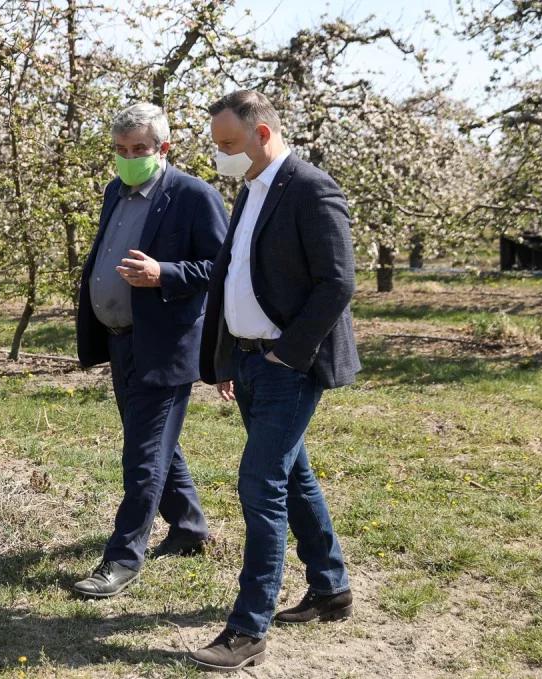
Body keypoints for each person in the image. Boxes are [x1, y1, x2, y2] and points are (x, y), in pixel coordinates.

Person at [189, 90, 360, 671]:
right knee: (296, 476)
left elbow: (337, 282)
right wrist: (228, 356)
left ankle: (247, 629)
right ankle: (331, 588)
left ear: (262, 134)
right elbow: (235, 275)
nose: (222, 158)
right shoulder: (249, 190)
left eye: (229, 145)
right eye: (218, 148)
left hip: (288, 367)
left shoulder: (311, 188)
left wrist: (287, 354)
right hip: (251, 363)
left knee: (261, 485)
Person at [71, 102, 227, 598]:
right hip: (122, 341)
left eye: (139, 149)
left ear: (164, 148)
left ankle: (122, 558)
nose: (129, 157)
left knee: (142, 455)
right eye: (120, 150)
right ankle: (189, 527)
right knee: (155, 443)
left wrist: (166, 273)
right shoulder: (115, 190)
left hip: (166, 345)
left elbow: (221, 268)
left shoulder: (193, 196)